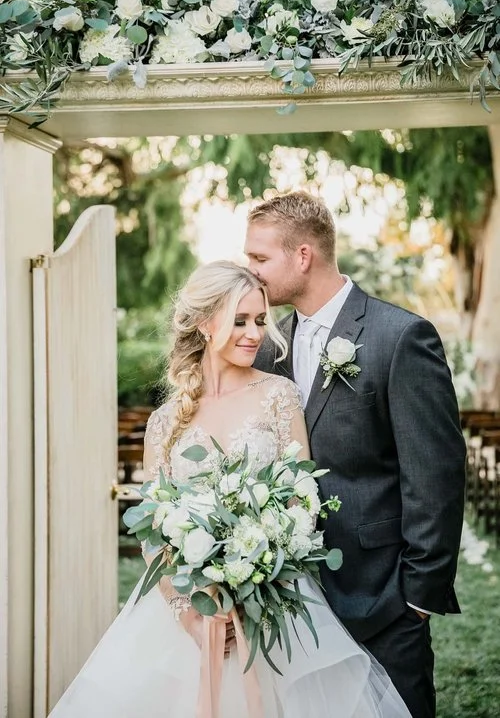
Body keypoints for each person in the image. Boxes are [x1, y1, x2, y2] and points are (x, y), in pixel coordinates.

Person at [48, 260, 411, 718]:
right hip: (182, 613)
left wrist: (258, 572)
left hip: (272, 602)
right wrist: (190, 615)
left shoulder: (279, 396)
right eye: (240, 320)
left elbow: (303, 497)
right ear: (204, 324)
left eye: (260, 320)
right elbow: (153, 532)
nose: (255, 333)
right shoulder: (165, 422)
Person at [245, 191, 467, 718]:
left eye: (259, 258)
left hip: (384, 598)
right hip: (295, 598)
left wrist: (417, 596)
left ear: (303, 256)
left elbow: (435, 475)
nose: (249, 271)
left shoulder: (401, 337)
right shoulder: (271, 346)